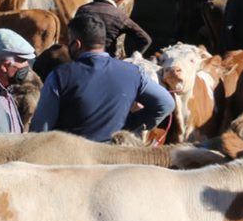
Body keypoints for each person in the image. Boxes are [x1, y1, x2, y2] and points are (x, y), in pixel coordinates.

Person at [30, 15, 174, 142]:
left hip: (72, 159)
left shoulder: (60, 75)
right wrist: (128, 126)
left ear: (77, 44)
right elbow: (166, 103)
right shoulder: (134, 73)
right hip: (112, 158)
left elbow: (40, 130)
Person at [72, 0, 151, 57]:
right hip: (106, 60)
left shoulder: (83, 9)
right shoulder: (120, 16)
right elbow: (146, 40)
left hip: (81, 58)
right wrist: (134, 58)